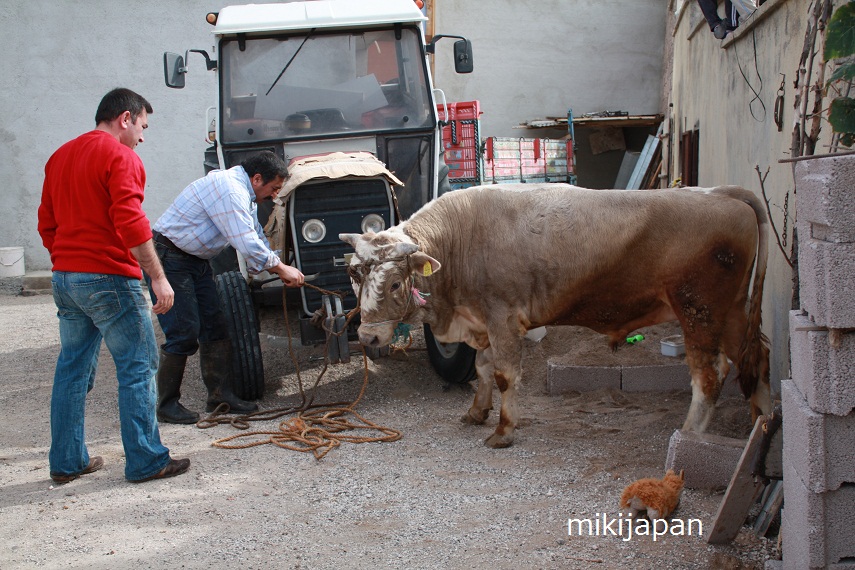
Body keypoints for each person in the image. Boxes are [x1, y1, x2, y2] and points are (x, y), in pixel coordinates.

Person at [38, 88, 190, 483]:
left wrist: (69, 262)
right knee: (138, 366)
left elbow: (47, 223)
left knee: (72, 369)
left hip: (65, 278)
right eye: (142, 126)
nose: (143, 137)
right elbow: (132, 222)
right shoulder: (121, 156)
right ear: (125, 118)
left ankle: (67, 462)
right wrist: (157, 276)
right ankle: (146, 461)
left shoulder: (59, 156)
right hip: (109, 278)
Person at [147, 150, 305, 424]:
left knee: (215, 325)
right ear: (257, 178)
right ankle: (166, 404)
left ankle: (220, 396)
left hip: (195, 260)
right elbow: (246, 241)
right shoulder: (229, 190)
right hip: (170, 257)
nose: (274, 195)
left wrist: (276, 264)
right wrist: (280, 269)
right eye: (274, 188)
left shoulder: (245, 193)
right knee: (183, 331)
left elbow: (255, 233)